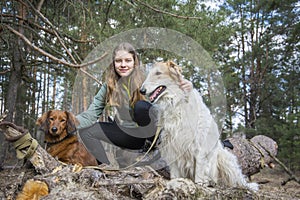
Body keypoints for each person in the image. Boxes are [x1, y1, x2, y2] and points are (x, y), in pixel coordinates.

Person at [77, 42, 192, 165]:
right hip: (129, 135)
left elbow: (171, 86)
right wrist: (69, 123)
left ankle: (153, 150)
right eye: (118, 61)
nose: (123, 65)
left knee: (141, 107)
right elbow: (91, 113)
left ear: (134, 62)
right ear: (113, 63)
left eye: (127, 60)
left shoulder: (148, 77)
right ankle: (103, 167)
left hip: (153, 132)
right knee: (87, 131)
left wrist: (187, 86)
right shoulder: (109, 86)